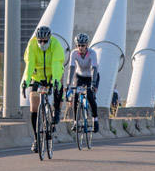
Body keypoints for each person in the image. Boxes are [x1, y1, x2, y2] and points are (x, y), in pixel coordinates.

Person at [23, 24, 66, 152]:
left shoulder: (56, 45)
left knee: (59, 86)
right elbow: (29, 64)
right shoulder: (32, 45)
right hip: (38, 77)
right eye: (40, 41)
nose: (42, 43)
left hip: (53, 74)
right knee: (34, 107)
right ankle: (36, 139)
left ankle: (56, 110)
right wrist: (26, 81)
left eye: (45, 41)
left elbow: (57, 64)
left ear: (49, 39)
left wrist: (56, 80)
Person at [66, 32, 100, 133]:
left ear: (87, 45)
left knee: (90, 96)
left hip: (91, 76)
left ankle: (95, 120)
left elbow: (94, 68)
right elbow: (71, 68)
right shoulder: (74, 53)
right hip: (80, 76)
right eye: (79, 45)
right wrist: (68, 83)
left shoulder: (92, 53)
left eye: (83, 45)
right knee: (75, 96)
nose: (80, 47)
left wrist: (93, 83)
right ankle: (75, 122)